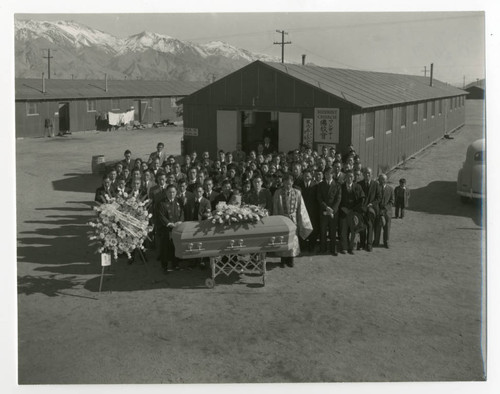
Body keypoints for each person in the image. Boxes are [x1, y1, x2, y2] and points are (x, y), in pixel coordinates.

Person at [273, 174, 312, 267]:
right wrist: (276, 219)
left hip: (293, 219)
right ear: (283, 183)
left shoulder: (297, 193)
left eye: (289, 184)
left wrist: (301, 219)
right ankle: (283, 259)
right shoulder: (278, 193)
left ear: (292, 183)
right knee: (282, 238)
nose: (287, 186)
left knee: (293, 238)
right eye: (286, 184)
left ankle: (291, 258)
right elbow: (275, 207)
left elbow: (301, 208)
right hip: (282, 218)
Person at [156, 185, 184, 273]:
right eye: (169, 192)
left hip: (176, 228)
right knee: (165, 248)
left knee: (175, 247)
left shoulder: (178, 201)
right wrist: (169, 223)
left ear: (176, 193)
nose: (171, 194)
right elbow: (161, 216)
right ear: (166, 192)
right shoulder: (161, 203)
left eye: (173, 192)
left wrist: (180, 221)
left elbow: (182, 213)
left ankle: (175, 264)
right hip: (166, 229)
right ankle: (164, 266)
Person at [317, 167, 342, 256]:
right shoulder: (321, 185)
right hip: (323, 211)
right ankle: (323, 248)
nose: (328, 175)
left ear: (333, 175)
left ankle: (333, 249)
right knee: (323, 231)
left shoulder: (337, 185)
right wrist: (326, 207)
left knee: (332, 231)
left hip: (333, 213)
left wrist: (332, 210)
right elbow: (319, 198)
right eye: (326, 174)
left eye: (330, 174)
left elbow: (338, 199)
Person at [339, 170, 365, 255]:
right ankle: (344, 248)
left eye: (351, 176)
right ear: (345, 177)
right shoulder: (341, 187)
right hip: (343, 212)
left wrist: (353, 210)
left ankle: (352, 248)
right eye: (348, 176)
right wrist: (343, 208)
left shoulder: (358, 187)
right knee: (344, 231)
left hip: (354, 213)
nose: (349, 178)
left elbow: (362, 200)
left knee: (354, 231)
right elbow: (338, 199)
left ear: (353, 178)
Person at [296, 169, 320, 253]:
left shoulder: (316, 185)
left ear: (311, 176)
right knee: (302, 228)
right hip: (302, 211)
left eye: (308, 176)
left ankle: (311, 246)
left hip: (313, 212)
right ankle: (303, 246)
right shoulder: (298, 186)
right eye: (305, 175)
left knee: (313, 229)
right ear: (302, 176)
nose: (306, 177)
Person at [358, 167, 381, 252]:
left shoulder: (376, 184)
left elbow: (379, 198)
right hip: (362, 209)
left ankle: (369, 245)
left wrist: (372, 204)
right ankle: (362, 243)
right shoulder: (359, 184)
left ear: (371, 174)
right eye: (365, 173)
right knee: (362, 227)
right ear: (363, 174)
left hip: (371, 210)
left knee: (370, 226)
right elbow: (357, 197)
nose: (367, 175)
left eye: (368, 173)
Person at [374, 174, 394, 248]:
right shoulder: (376, 188)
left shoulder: (391, 189)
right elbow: (374, 199)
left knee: (387, 228)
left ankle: (386, 242)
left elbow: (392, 201)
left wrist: (384, 209)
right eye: (380, 179)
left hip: (387, 212)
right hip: (378, 211)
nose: (381, 181)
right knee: (377, 228)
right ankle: (376, 242)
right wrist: (378, 209)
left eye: (383, 179)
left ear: (386, 180)